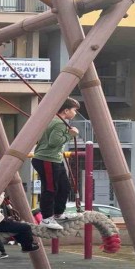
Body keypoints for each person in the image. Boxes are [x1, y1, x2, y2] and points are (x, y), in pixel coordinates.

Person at [32, 97, 81, 231]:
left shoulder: (52, 120)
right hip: (47, 159)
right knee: (50, 189)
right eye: (74, 110)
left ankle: (58, 213)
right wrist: (70, 135)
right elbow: (54, 142)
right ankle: (47, 218)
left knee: (64, 187)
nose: (75, 113)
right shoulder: (59, 123)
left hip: (55, 160)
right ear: (66, 110)